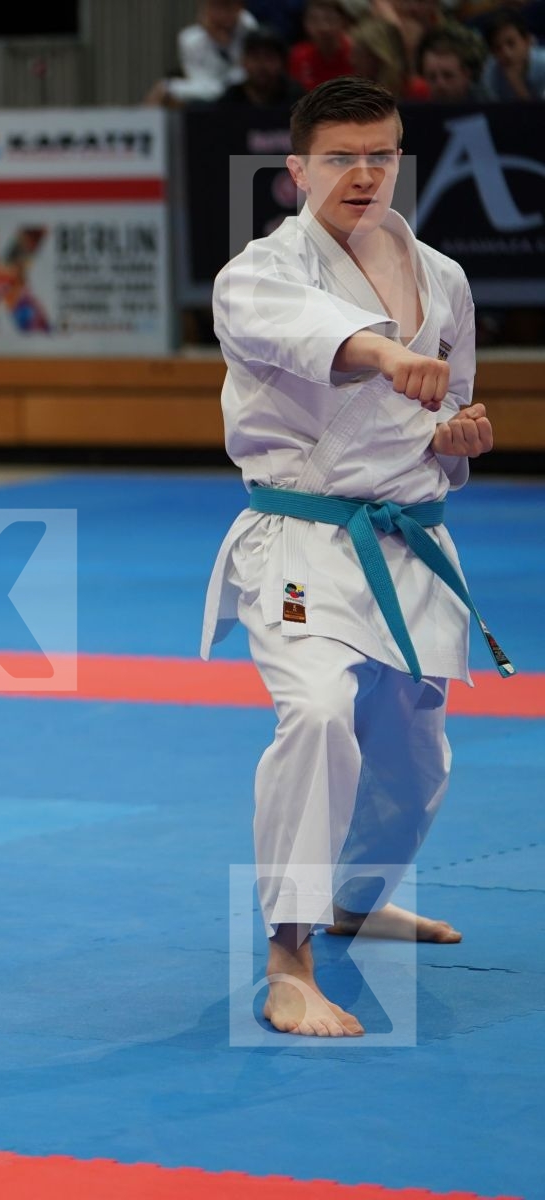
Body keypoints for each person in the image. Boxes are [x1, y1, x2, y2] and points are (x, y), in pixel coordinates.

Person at [202, 77, 505, 1038]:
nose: (365, 173)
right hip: (301, 537)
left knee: (415, 747)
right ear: (297, 169)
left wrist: (458, 440)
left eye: (381, 153)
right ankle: (288, 959)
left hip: (407, 534)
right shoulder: (256, 275)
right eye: (341, 157)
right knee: (322, 714)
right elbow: (314, 341)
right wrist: (385, 357)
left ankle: (358, 898)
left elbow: (446, 411)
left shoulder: (443, 276)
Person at [149, 0, 260, 105]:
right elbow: (199, 80)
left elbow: (247, 72)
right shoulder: (189, 39)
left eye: (228, 6)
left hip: (243, 88)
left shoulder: (248, 25)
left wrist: (225, 46)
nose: (222, 14)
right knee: (162, 90)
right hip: (208, 90)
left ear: (239, 8)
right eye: (215, 6)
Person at [350, 15, 432, 98]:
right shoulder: (353, 93)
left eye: (359, 55)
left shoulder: (417, 90)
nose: (352, 61)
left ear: (378, 57)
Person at [220, 29, 307, 106]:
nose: (261, 65)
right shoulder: (230, 100)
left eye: (269, 58)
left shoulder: (297, 99)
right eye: (255, 58)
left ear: (281, 62)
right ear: (243, 61)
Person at [289, 0, 355, 91]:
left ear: (343, 22)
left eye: (330, 19)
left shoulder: (355, 53)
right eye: (314, 20)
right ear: (305, 24)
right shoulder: (298, 55)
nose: (323, 27)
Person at [481, 10, 545, 98]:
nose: (506, 54)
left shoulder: (543, 65)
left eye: (511, 44)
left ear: (527, 41)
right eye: (498, 48)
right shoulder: (490, 72)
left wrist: (518, 85)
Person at [418, 27, 492, 100]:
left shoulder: (486, 104)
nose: (440, 85)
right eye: (432, 78)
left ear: (466, 75)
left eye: (448, 76)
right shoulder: (417, 103)